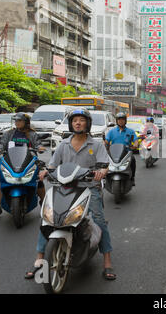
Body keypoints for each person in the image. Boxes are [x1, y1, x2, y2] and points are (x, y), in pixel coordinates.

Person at [25, 108, 117, 280]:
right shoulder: (64, 144)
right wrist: (45, 172)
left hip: (89, 187)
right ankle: (39, 260)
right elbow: (52, 165)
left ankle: (107, 262)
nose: (78, 123)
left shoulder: (96, 144)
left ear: (87, 124)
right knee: (48, 218)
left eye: (81, 120)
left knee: (98, 220)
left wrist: (102, 172)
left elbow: (105, 165)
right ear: (71, 124)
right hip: (64, 187)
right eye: (75, 120)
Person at [0, 113, 46, 219]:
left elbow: (37, 144)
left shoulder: (32, 134)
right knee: (0, 182)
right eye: (16, 121)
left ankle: (44, 204)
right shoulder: (9, 133)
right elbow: (2, 144)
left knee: (39, 181)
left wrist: (40, 148)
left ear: (26, 122)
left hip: (29, 161)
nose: (17, 123)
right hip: (10, 161)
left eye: (20, 121)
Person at [105, 112, 138, 185]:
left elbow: (135, 140)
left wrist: (135, 145)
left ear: (125, 121)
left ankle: (132, 178)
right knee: (104, 162)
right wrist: (105, 145)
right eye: (119, 120)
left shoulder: (130, 131)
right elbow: (106, 141)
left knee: (133, 160)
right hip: (114, 153)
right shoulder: (111, 131)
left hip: (126, 153)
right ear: (116, 121)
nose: (121, 121)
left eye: (122, 119)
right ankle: (105, 178)